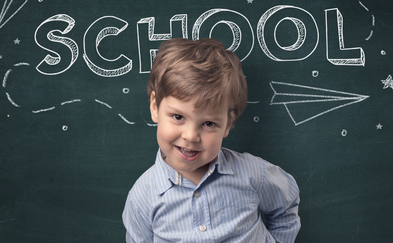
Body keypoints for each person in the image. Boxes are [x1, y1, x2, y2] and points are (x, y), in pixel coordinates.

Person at [122, 38, 300, 242]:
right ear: (155, 106)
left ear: (228, 124)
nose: (190, 136)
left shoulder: (252, 173)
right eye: (178, 117)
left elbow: (285, 207)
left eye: (208, 123)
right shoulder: (142, 196)